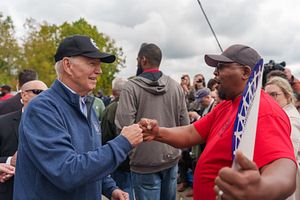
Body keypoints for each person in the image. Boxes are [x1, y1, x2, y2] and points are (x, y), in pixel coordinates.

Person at [140, 44, 297, 200]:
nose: (215, 72)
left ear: (245, 72)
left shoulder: (264, 111)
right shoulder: (227, 105)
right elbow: (191, 133)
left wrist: (262, 189)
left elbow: (284, 167)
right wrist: (158, 132)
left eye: (221, 66)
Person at [14, 35, 143, 200]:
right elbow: (66, 171)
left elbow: (89, 157)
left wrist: (110, 189)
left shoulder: (86, 105)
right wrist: (123, 143)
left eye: (99, 64)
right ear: (68, 65)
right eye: (92, 63)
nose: (99, 70)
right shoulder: (42, 109)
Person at [115, 43, 189, 200]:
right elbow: (186, 123)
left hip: (144, 162)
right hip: (171, 157)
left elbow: (123, 127)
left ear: (143, 60)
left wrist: (132, 154)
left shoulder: (130, 87)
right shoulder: (176, 87)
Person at [0, 80, 48, 200]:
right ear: (24, 95)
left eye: (48, 93)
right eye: (39, 92)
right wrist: (9, 161)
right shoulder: (3, 123)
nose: (45, 97)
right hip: (10, 191)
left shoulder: (56, 124)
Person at [264, 76, 300, 200]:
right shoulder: (279, 115)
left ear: (288, 96)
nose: (269, 99)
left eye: (274, 94)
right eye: (266, 95)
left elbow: (290, 155)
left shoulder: (291, 119)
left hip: (285, 182)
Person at [101, 77, 134, 200]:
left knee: (122, 191)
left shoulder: (110, 109)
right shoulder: (135, 106)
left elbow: (104, 137)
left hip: (119, 161)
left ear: (114, 91)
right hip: (136, 159)